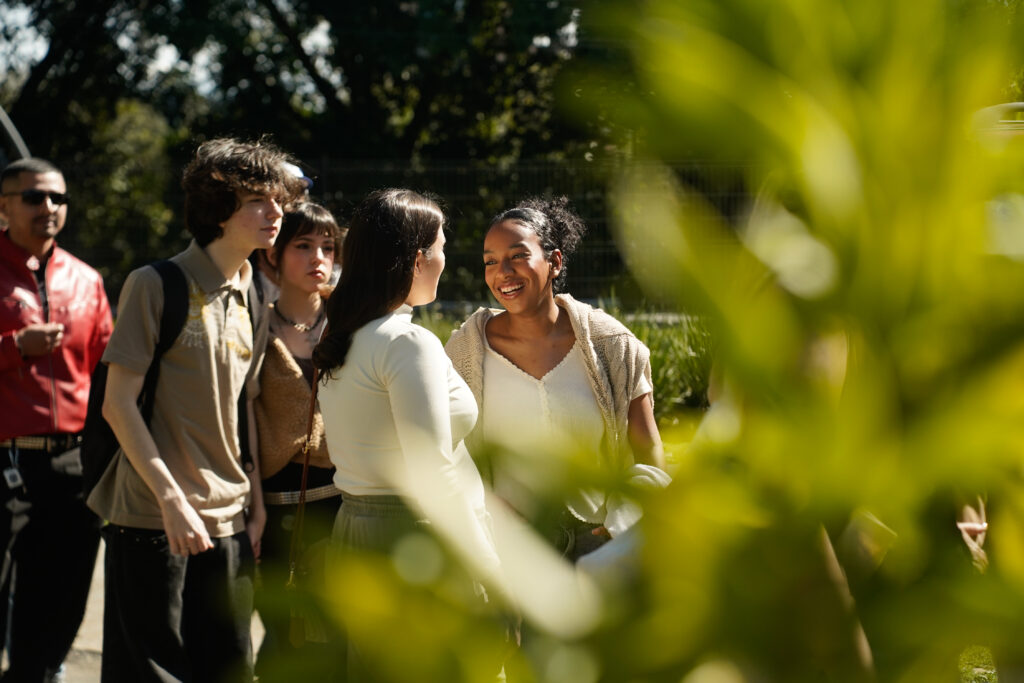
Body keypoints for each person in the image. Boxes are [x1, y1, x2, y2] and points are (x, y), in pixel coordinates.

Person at [88, 138, 306, 683]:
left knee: (230, 668)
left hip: (230, 518)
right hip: (153, 517)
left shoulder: (255, 289)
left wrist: (253, 505)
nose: (275, 212)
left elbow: (245, 403)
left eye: (278, 199)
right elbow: (118, 404)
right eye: (258, 199)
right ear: (217, 208)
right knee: (153, 673)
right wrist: (171, 500)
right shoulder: (154, 284)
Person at [312, 188, 501, 680]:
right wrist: (488, 568)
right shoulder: (406, 341)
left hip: (356, 526)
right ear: (418, 259)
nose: (445, 258)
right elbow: (431, 467)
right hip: (414, 536)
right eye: (440, 246)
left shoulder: (347, 335)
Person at [445, 196, 666, 562]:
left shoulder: (612, 346)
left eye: (518, 256)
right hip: (510, 547)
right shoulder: (466, 351)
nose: (504, 272)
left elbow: (648, 449)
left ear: (555, 261)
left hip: (601, 542)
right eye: (491, 261)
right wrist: (485, 510)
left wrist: (622, 523)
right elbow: (448, 449)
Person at [0, 157, 113, 682]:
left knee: (62, 594)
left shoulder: (86, 280)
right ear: (3, 206)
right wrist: (13, 347)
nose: (49, 207)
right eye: (34, 197)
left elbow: (107, 370)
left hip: (72, 461)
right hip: (4, 459)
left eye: (58, 198)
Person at [253, 201, 343, 670]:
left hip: (341, 506)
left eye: (328, 247)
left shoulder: (351, 324)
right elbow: (239, 424)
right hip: (274, 511)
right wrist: (252, 509)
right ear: (273, 254)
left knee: (337, 641)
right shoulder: (252, 326)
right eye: (303, 246)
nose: (318, 258)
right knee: (283, 642)